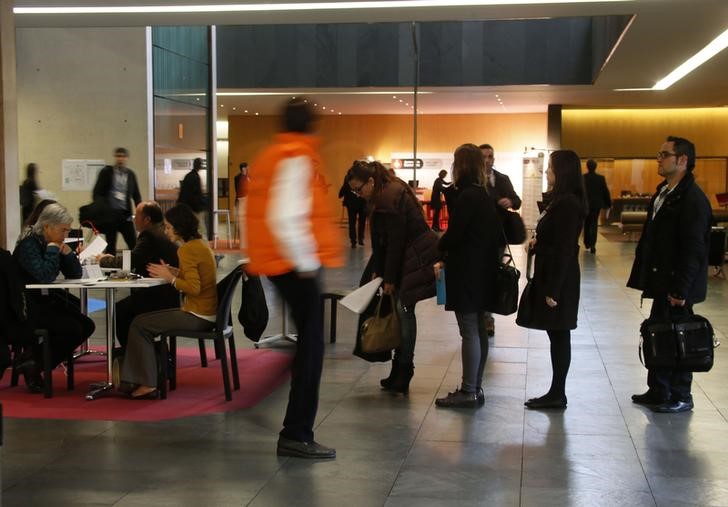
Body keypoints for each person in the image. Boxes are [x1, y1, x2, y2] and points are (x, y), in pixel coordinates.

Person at [245, 97, 343, 459]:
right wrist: (305, 263)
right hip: (292, 263)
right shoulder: (296, 157)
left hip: (278, 260)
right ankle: (297, 432)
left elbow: (255, 210)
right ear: (312, 125)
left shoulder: (274, 154)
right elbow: (286, 217)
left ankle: (295, 425)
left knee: (309, 346)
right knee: (312, 347)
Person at [627, 136, 712, 413]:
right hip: (662, 281)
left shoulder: (692, 199)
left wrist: (680, 290)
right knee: (660, 334)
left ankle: (681, 394)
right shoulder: (664, 192)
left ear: (683, 160)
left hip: (678, 285)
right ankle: (658, 389)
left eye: (664, 154)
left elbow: (693, 249)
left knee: (680, 337)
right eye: (659, 154)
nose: (658, 159)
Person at [347, 160, 439, 397]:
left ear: (370, 181)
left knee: (404, 310)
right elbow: (383, 243)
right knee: (402, 311)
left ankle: (404, 368)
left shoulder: (387, 198)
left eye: (359, 189)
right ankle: (400, 368)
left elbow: (395, 243)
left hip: (415, 258)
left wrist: (388, 278)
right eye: (354, 191)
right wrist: (381, 270)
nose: (358, 194)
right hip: (410, 256)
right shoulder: (385, 191)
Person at [120, 203, 217, 399]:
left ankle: (147, 382)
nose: (166, 230)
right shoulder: (200, 245)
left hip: (197, 315)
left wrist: (170, 278)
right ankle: (146, 373)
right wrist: (174, 272)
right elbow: (196, 278)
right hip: (208, 312)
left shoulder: (187, 250)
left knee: (139, 324)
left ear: (180, 227)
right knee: (141, 322)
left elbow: (194, 288)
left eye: (169, 227)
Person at [520, 150, 587, 410]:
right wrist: (539, 242)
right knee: (556, 335)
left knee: (560, 335)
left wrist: (554, 291)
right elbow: (556, 239)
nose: (546, 172)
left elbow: (565, 249)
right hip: (553, 276)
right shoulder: (561, 201)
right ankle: (556, 391)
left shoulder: (569, 203)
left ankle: (558, 392)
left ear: (563, 172)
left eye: (550, 168)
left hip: (560, 280)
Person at [434, 144, 499, 408]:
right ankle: (475, 386)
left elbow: (455, 234)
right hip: (482, 270)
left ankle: (469, 390)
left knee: (469, 330)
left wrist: (438, 245)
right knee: (478, 329)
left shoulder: (468, 197)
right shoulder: (482, 194)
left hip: (467, 271)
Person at [13, 203, 95, 393]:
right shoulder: (29, 244)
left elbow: (75, 274)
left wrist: (67, 254)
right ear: (48, 227)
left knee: (87, 325)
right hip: (26, 306)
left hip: (45, 301)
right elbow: (45, 275)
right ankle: (35, 364)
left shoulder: (54, 243)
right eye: (63, 230)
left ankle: (33, 361)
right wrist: (52, 249)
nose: (65, 235)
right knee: (72, 329)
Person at [97, 201, 180, 351]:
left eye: (137, 216)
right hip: (170, 295)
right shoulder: (161, 231)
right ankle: (141, 348)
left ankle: (131, 351)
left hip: (156, 297)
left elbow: (131, 261)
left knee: (119, 311)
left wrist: (103, 259)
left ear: (147, 220)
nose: (134, 219)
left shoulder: (149, 235)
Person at [479, 143, 522, 337]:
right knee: (480, 275)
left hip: (497, 237)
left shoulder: (502, 179)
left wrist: (510, 202)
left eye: (490, 156)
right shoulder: (474, 181)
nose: (488, 160)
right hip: (477, 238)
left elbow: (516, 199)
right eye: (484, 157)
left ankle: (488, 317)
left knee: (493, 275)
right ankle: (481, 314)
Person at [92, 147, 142, 255]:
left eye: (123, 156)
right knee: (111, 245)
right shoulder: (107, 172)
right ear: (115, 157)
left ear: (127, 158)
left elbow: (136, 195)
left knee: (133, 243)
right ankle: (110, 269)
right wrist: (102, 208)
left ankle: (135, 267)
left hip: (125, 214)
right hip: (111, 215)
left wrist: (140, 211)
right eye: (118, 156)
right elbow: (97, 192)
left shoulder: (130, 174)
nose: (120, 159)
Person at [582, 159, 612, 254]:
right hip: (596, 205)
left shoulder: (583, 178)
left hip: (586, 204)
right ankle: (593, 245)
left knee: (586, 223)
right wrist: (608, 203)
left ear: (587, 166)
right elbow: (605, 191)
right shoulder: (600, 178)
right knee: (594, 224)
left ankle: (586, 242)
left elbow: (580, 192)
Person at [338, 162, 367, 248]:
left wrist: (340, 194)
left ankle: (353, 241)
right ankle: (360, 239)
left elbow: (345, 187)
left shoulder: (348, 177)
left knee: (352, 222)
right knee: (362, 222)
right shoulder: (363, 176)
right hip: (362, 202)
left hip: (351, 203)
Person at [178, 157, 207, 237]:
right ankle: (203, 246)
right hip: (194, 208)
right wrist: (201, 205)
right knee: (201, 228)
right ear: (199, 166)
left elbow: (184, 193)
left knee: (193, 228)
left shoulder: (188, 176)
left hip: (188, 207)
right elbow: (196, 194)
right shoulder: (195, 177)